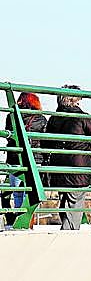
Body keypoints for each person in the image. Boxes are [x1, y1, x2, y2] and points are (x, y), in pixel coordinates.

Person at [43, 86, 91, 230]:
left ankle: (66, 228)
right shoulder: (82, 117)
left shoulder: (54, 119)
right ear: (75, 101)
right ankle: (70, 232)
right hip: (78, 167)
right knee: (76, 200)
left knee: (66, 197)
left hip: (58, 166)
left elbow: (46, 141)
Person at [2, 92, 47, 229]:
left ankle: (18, 222)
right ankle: (27, 223)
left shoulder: (11, 116)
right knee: (32, 194)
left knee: (17, 193)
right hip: (35, 159)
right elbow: (45, 140)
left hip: (15, 158)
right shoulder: (41, 119)